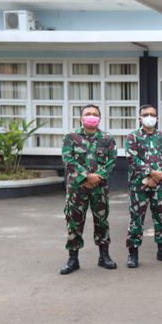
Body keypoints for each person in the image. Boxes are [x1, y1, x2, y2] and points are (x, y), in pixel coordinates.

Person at [59, 104, 117, 274]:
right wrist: (85, 177)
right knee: (74, 222)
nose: (91, 116)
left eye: (95, 114)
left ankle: (104, 256)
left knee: (102, 222)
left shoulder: (107, 138)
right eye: (88, 114)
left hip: (100, 188)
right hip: (77, 188)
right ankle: (73, 259)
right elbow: (68, 159)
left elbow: (111, 161)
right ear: (81, 117)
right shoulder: (71, 137)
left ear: (100, 117)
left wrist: (97, 177)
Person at [125, 104, 162, 268]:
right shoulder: (133, 137)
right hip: (138, 186)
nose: (149, 117)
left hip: (159, 186)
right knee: (136, 220)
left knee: (161, 218)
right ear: (139, 118)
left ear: (157, 118)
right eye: (145, 114)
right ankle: (133, 253)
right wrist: (150, 173)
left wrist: (158, 176)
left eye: (152, 114)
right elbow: (132, 159)